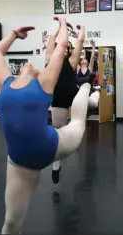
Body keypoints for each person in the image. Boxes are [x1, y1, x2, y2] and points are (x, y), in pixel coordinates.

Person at [0, 17, 96, 234]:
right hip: (19, 164)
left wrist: (62, 22)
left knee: (77, 122)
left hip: (52, 146)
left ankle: (87, 90)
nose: (31, 65)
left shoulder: (44, 83)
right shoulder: (5, 83)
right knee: (11, 223)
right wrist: (13, 34)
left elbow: (60, 47)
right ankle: (87, 93)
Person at [47, 24, 100, 184]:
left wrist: (81, 29)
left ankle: (96, 95)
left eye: (68, 47)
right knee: (58, 132)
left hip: (75, 94)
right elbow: (51, 40)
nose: (65, 48)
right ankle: (56, 166)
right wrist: (59, 25)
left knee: (92, 104)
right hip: (59, 100)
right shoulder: (50, 60)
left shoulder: (71, 62)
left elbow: (80, 41)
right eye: (62, 46)